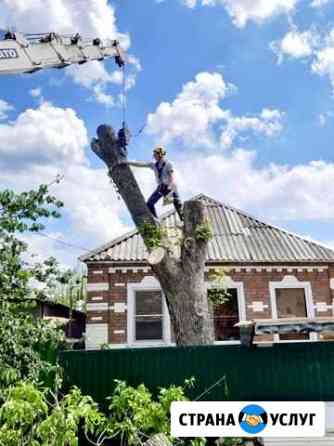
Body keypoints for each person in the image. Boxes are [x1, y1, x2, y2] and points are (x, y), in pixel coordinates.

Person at [122, 147, 183, 221]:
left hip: (170, 186)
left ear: (160, 154)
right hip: (161, 187)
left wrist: (171, 186)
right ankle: (156, 220)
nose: (154, 157)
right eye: (153, 155)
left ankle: (183, 220)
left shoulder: (168, 164)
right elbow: (141, 164)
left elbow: (172, 176)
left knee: (178, 204)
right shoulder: (154, 165)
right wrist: (127, 162)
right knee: (149, 203)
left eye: (155, 155)